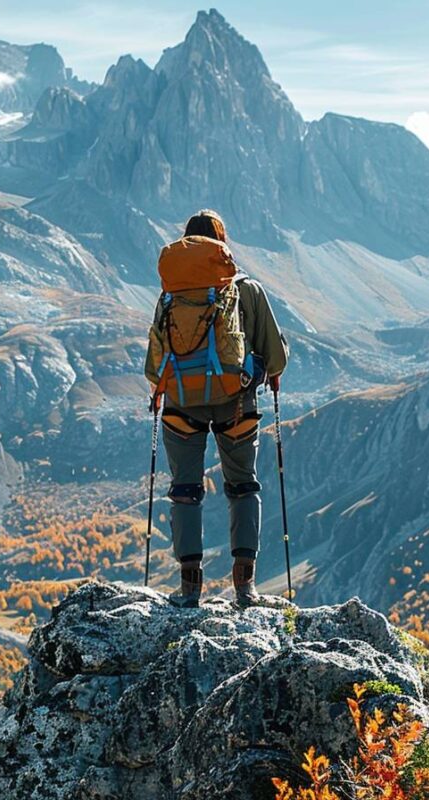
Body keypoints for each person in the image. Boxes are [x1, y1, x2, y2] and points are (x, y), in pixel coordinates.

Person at [144, 209, 288, 607]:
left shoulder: (171, 294)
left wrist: (160, 392)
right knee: (243, 487)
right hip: (235, 404)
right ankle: (245, 587)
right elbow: (275, 358)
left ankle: (189, 589)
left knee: (185, 492)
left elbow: (157, 358)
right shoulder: (246, 290)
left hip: (181, 406)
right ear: (222, 245)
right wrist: (266, 371)